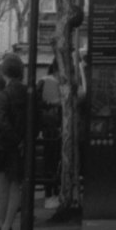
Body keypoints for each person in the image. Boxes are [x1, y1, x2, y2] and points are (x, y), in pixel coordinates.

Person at [0, 55, 27, 230]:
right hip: (20, 146)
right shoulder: (28, 94)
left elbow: (0, 121)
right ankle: (6, 226)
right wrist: (22, 140)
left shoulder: (3, 95)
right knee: (15, 186)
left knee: (3, 186)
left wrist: (13, 139)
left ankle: (5, 228)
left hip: (4, 145)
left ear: (4, 73)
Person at [38, 58, 63, 200]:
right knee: (52, 160)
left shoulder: (43, 81)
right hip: (52, 127)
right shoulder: (50, 81)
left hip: (50, 127)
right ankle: (51, 191)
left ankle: (51, 191)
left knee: (51, 160)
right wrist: (52, 103)